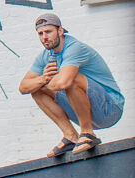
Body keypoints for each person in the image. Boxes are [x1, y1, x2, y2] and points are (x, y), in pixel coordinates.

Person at [19, 13, 125, 157]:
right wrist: (43, 79)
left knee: (70, 79)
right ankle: (70, 136)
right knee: (36, 90)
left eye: (48, 32)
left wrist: (47, 82)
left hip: (110, 108)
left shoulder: (74, 48)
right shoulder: (45, 56)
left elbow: (64, 82)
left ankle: (87, 133)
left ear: (60, 31)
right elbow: (23, 87)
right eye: (40, 33)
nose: (44, 37)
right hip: (85, 110)